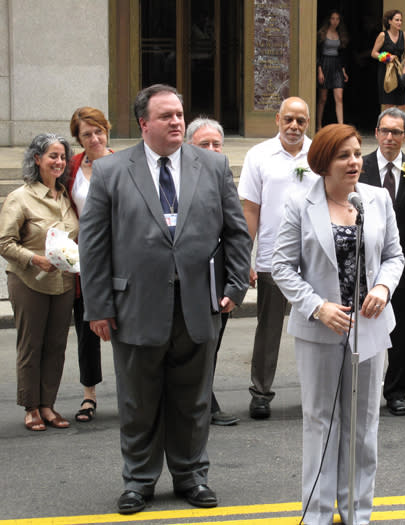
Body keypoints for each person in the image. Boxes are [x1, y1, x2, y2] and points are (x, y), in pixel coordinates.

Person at [78, 84, 251, 514]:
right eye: (166, 116)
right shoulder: (112, 172)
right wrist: (97, 305)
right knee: (139, 402)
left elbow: (236, 233)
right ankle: (138, 481)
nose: (177, 121)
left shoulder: (211, 165)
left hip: (199, 306)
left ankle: (192, 476)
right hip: (134, 307)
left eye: (179, 113)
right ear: (143, 124)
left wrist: (233, 287)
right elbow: (94, 245)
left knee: (192, 402)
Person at [271, 123, 404, 525]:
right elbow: (281, 265)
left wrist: (382, 287)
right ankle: (315, 513)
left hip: (370, 326)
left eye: (356, 154)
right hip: (320, 330)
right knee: (321, 422)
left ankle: (357, 512)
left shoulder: (376, 200)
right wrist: (317, 306)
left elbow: (395, 256)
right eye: (343, 155)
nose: (354, 162)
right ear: (324, 163)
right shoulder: (299, 203)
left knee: (363, 425)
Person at [238, 97, 319, 420]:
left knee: (317, 328)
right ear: (277, 119)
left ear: (308, 123)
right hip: (273, 257)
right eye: (288, 119)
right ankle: (260, 392)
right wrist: (247, 256)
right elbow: (250, 209)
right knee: (268, 329)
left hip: (314, 258)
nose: (294, 126)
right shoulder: (258, 156)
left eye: (300, 120)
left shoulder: (320, 154)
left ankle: (317, 391)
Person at [0, 134, 78, 431]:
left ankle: (48, 405)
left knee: (56, 345)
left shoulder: (65, 196)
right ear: (37, 159)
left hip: (63, 282)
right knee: (31, 345)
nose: (58, 162)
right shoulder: (21, 197)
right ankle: (30, 407)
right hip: (28, 280)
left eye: (62, 157)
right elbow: (4, 242)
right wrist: (34, 259)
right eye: (52, 156)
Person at [359, 107, 405, 416]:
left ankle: (397, 390)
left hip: (402, 265)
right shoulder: (360, 167)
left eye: (396, 132)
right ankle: (360, 386)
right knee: (362, 324)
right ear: (376, 133)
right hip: (363, 263)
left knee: (401, 328)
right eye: (384, 131)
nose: (389, 137)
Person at [185, 117, 240, 427]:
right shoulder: (177, 178)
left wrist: (235, 280)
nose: (211, 150)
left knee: (212, 342)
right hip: (187, 278)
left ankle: (204, 398)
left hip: (217, 276)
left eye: (216, 144)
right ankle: (196, 402)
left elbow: (236, 230)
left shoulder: (223, 177)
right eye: (203, 144)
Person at [67, 107, 113, 423]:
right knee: (86, 326)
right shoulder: (71, 167)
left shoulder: (123, 163)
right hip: (83, 257)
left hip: (119, 255)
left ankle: (137, 392)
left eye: (99, 131)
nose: (94, 138)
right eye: (87, 134)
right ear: (78, 139)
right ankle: (89, 395)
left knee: (126, 324)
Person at [371, 9, 405, 109]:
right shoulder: (383, 35)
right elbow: (374, 53)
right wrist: (387, 57)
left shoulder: (403, 34)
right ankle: (386, 124)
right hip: (386, 72)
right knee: (389, 104)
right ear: (389, 21)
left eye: (401, 20)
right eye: (397, 20)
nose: (400, 23)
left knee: (402, 104)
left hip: (399, 71)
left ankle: (397, 124)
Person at [316, 10, 349, 129]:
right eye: (333, 18)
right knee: (323, 98)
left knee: (339, 96)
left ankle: (341, 126)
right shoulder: (322, 33)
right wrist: (319, 70)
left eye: (337, 19)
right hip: (325, 64)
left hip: (337, 65)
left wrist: (343, 70)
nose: (335, 21)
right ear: (329, 19)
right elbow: (318, 53)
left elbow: (342, 54)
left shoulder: (341, 34)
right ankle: (319, 125)